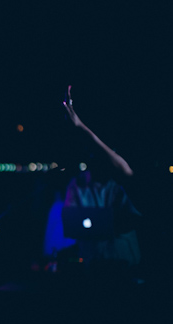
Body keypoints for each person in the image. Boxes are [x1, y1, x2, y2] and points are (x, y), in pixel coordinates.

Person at [61, 86, 141, 284]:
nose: (94, 156)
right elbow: (71, 224)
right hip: (94, 268)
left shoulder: (121, 183)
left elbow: (132, 220)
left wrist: (80, 126)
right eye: (91, 152)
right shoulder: (77, 184)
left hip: (126, 268)